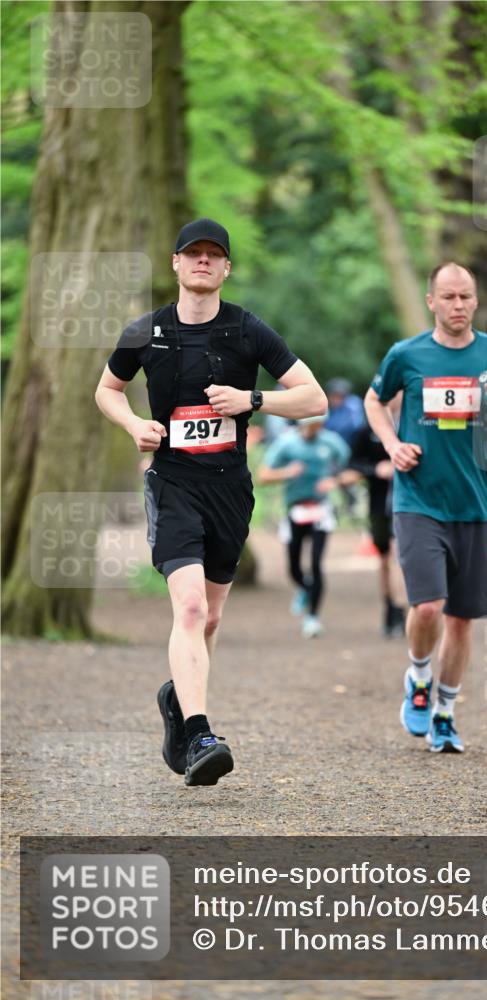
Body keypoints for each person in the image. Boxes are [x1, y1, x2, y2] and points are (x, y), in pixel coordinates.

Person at [95, 218, 327, 787]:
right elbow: (106, 390)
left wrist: (253, 398)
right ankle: (200, 732)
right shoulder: (143, 332)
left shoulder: (248, 330)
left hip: (229, 487)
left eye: (213, 255)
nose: (202, 262)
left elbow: (314, 398)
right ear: (175, 264)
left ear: (226, 268)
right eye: (192, 253)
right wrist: (132, 425)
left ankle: (177, 704)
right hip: (173, 484)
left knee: (212, 617)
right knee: (192, 609)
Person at [364, 261, 487, 753]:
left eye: (466, 297)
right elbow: (376, 402)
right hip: (418, 500)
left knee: (461, 620)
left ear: (476, 301)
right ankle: (418, 677)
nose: (458, 305)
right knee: (429, 606)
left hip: (474, 506)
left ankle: (445, 713)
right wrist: (393, 445)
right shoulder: (406, 354)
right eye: (449, 297)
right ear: (431, 301)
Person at [258, 415, 350, 638]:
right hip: (295, 509)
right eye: (312, 423)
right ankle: (305, 589)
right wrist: (287, 472)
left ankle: (312, 618)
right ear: (302, 423)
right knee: (294, 567)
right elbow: (263, 475)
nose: (316, 428)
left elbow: (350, 470)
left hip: (321, 508)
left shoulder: (332, 442)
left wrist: (334, 481)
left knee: (317, 564)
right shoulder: (286, 443)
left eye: (320, 423)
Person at [346, 411, 406, 637]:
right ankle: (390, 610)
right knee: (384, 560)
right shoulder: (367, 430)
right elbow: (353, 463)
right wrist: (376, 470)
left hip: (407, 504)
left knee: (397, 556)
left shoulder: (412, 425)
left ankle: (401, 611)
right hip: (379, 504)